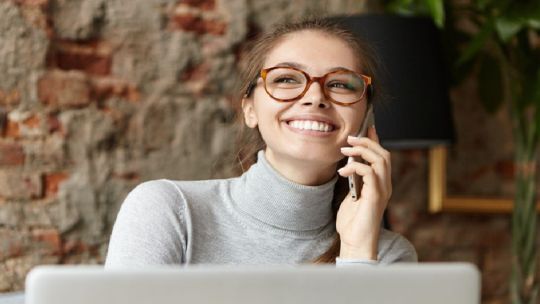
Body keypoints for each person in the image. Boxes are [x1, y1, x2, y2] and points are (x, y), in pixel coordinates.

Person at [105, 17, 417, 268]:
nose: (315, 98)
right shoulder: (169, 210)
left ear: (366, 116)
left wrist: (356, 252)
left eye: (339, 84)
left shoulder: (387, 256)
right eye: (286, 79)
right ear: (250, 109)